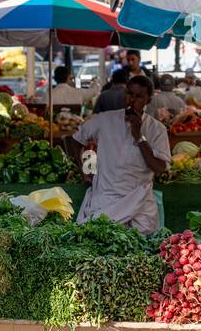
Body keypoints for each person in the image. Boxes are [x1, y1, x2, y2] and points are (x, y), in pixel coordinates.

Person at [72, 75, 171, 234]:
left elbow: (159, 168)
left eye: (139, 96)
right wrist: (84, 168)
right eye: (130, 94)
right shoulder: (105, 120)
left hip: (139, 203)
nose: (132, 100)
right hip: (106, 198)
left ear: (148, 100)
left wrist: (139, 136)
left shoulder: (156, 129)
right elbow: (77, 140)